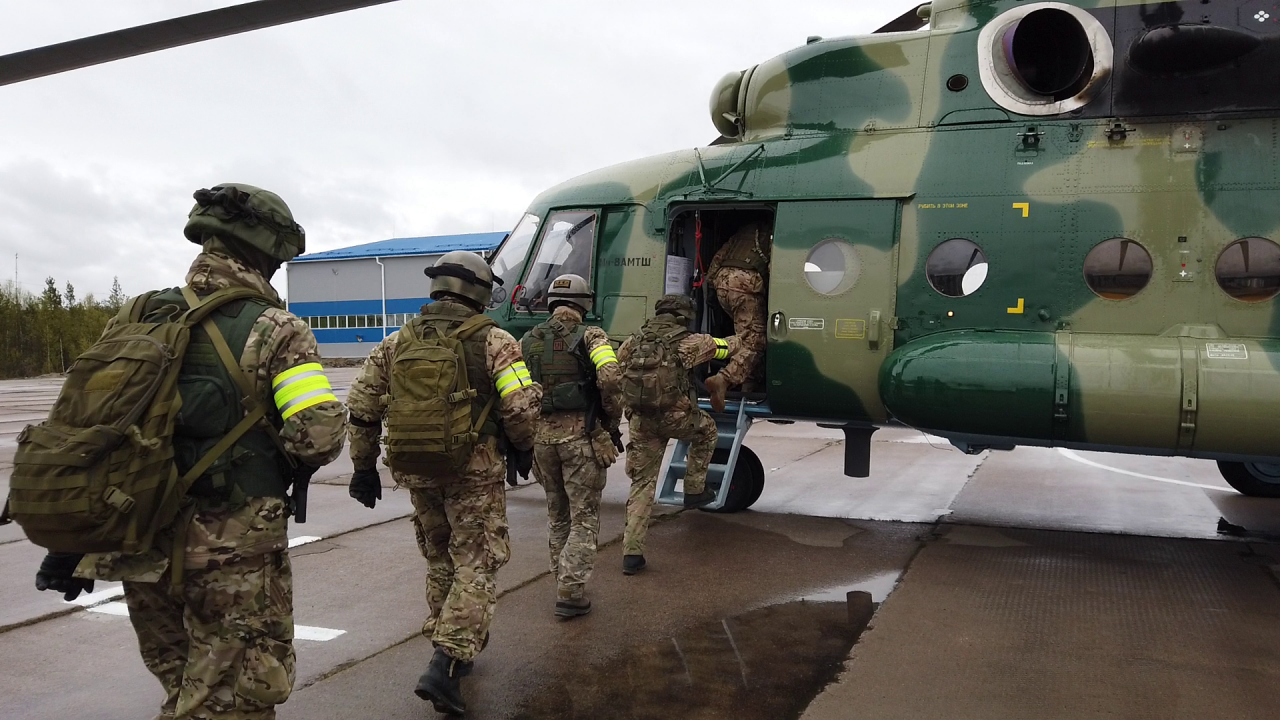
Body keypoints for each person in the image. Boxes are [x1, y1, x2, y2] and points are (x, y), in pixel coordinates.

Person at [34, 183, 347, 720]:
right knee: (230, 700)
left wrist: (74, 541)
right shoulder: (276, 328)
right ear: (268, 251)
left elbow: (81, 428)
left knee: (181, 686)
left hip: (136, 536)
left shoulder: (133, 315)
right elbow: (316, 438)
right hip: (231, 549)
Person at [344, 250, 541, 716]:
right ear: (479, 291)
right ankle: (448, 660)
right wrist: (523, 446)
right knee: (477, 560)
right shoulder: (496, 340)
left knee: (439, 554)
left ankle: (449, 637)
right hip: (473, 469)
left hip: (416, 469)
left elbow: (363, 408)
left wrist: (363, 467)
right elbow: (520, 408)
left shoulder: (395, 342)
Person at [520, 274, 623, 618]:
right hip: (581, 437)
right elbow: (610, 376)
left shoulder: (527, 340)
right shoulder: (592, 336)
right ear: (585, 303)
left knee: (557, 512)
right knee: (584, 517)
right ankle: (571, 590)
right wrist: (610, 418)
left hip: (540, 440)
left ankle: (561, 581)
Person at [617, 294, 738, 575]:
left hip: (642, 422)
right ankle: (694, 490)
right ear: (683, 316)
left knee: (642, 485)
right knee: (707, 431)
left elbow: (616, 371)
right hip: (676, 418)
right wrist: (745, 338)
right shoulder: (689, 342)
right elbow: (725, 348)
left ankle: (631, 554)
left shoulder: (633, 341)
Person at [705, 219, 771, 412]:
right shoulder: (771, 234)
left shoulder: (744, 230)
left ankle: (749, 387)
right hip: (745, 285)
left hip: (722, 283)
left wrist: (713, 286)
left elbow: (718, 257)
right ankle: (724, 379)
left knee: (745, 336)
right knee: (755, 341)